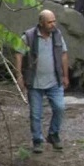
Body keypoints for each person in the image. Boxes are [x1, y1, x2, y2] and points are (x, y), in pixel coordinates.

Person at [14, 9, 69, 154]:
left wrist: (65, 75)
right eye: (49, 22)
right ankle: (37, 140)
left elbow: (64, 54)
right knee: (36, 114)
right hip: (35, 82)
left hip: (54, 80)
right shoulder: (29, 36)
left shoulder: (57, 34)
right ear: (41, 23)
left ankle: (53, 134)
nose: (53, 24)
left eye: (54, 21)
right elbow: (19, 54)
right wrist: (19, 76)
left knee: (60, 108)